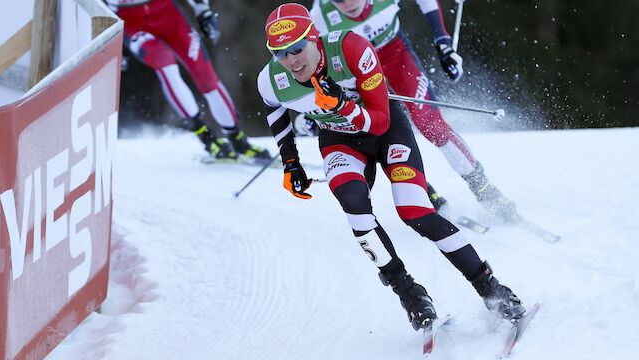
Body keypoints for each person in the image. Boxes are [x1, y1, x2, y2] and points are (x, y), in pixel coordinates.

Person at [257, 3, 526, 331]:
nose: (291, 60)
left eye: (297, 48)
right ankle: (410, 294)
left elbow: (381, 120)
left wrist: (343, 105)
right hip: (340, 143)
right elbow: (274, 110)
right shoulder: (272, 80)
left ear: (314, 38)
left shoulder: (352, 48)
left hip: (385, 131)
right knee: (354, 206)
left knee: (415, 212)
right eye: (280, 53)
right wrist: (290, 162)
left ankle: (491, 288)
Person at [308, 0, 516, 221]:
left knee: (430, 124)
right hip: (357, 72)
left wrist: (442, 42)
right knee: (379, 131)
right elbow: (306, 59)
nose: (347, 3)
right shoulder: (320, 14)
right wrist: (312, 107)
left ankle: (484, 189)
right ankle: (423, 191)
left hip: (395, 57)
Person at [105, 0, 270, 162]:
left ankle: (238, 140)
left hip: (169, 15)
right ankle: (205, 135)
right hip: (133, 24)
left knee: (206, 77)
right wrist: (106, 40)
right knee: (165, 63)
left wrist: (202, 10)